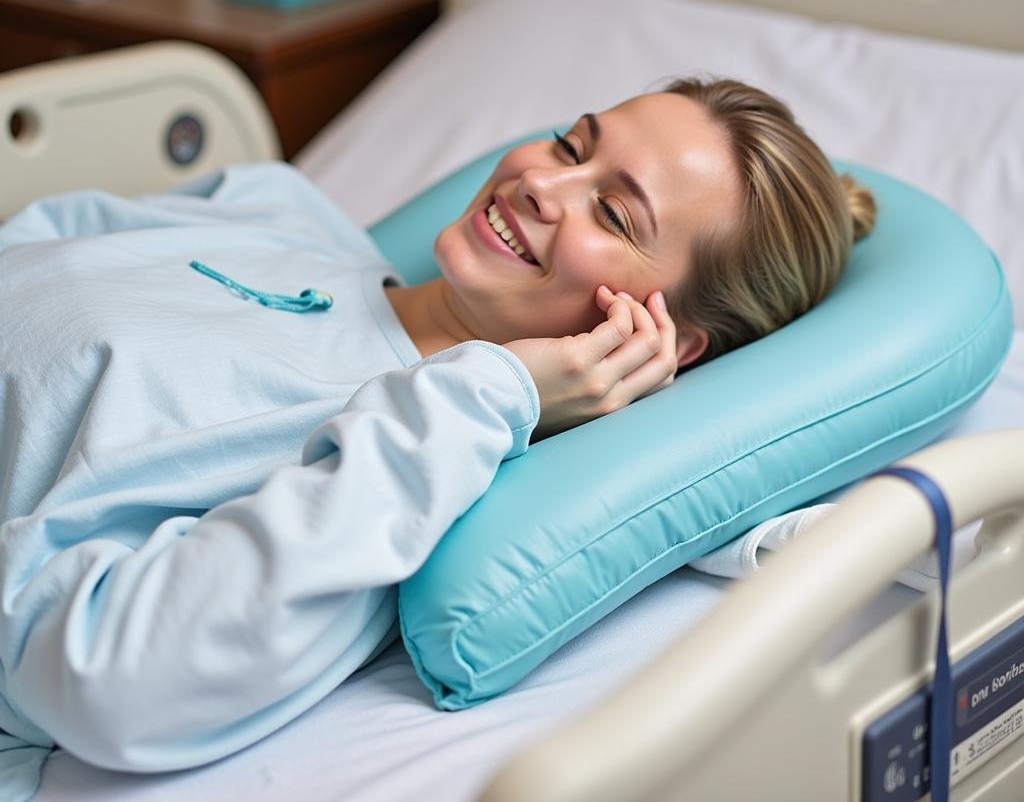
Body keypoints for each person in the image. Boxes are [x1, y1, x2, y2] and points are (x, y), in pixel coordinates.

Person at [0, 77, 875, 800]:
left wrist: (492, 391)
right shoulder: (282, 215)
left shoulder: (399, 459)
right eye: (572, 146)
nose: (542, 182)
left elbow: (110, 679)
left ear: (660, 339)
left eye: (613, 215)